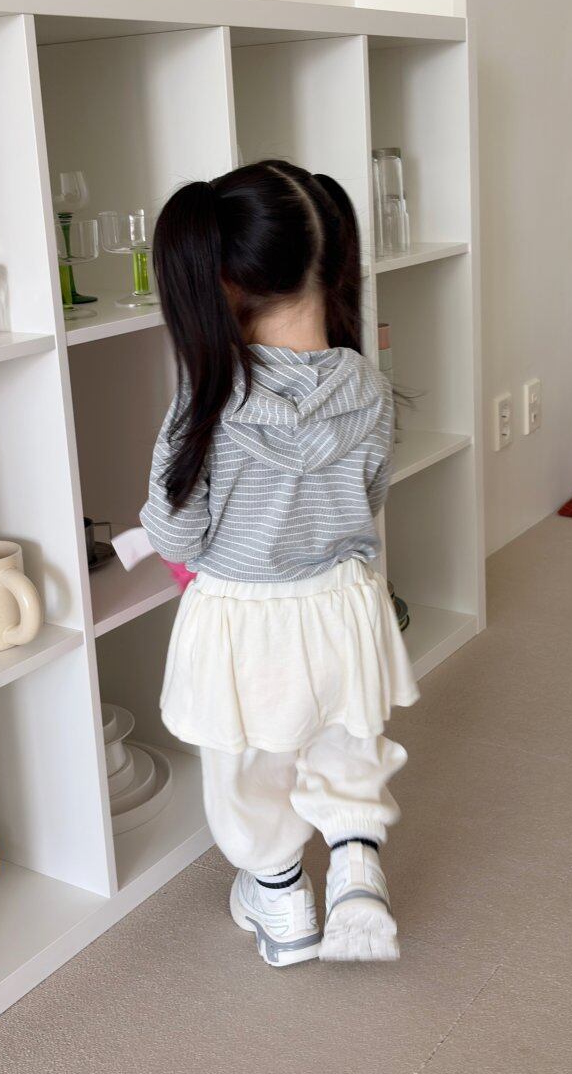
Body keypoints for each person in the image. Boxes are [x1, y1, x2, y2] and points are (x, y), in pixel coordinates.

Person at [139, 160, 417, 966]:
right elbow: (369, 494)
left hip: (245, 618)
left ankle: (283, 900)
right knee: (345, 736)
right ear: (332, 261)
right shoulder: (369, 387)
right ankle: (356, 863)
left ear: (223, 279)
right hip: (342, 601)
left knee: (249, 767)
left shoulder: (206, 401)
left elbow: (176, 532)